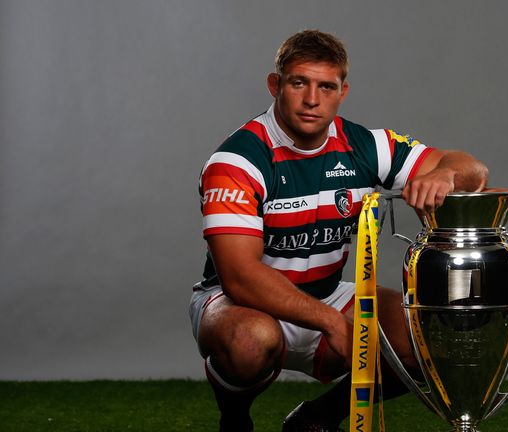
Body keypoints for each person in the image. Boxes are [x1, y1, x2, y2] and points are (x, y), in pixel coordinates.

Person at [190, 30, 488, 432]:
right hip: (242, 303)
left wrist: (446, 175)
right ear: (275, 85)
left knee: (429, 338)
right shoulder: (238, 160)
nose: (312, 99)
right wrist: (331, 322)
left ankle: (318, 418)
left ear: (342, 91)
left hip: (327, 291)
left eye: (326, 86)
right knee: (249, 342)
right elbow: (240, 277)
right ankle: (235, 417)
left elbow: (473, 170)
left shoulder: (366, 145)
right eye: (299, 83)